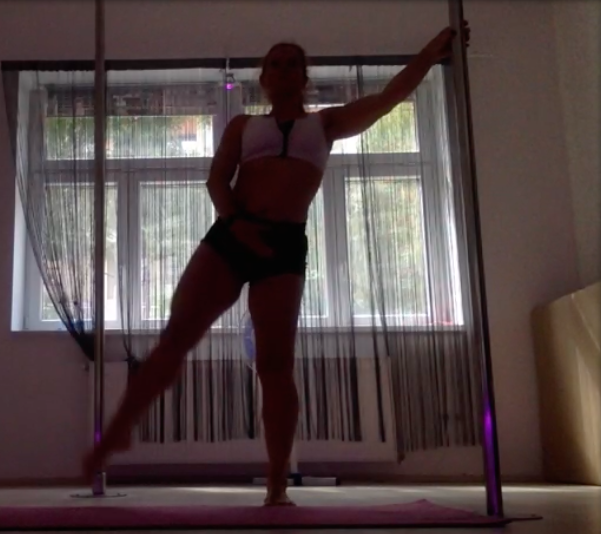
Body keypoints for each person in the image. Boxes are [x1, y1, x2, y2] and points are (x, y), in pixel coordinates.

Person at [83, 22, 470, 506]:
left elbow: (389, 98)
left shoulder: (325, 125)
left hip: (283, 247)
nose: (283, 70)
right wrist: (237, 224)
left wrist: (430, 53)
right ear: (263, 77)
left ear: (304, 77)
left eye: (292, 64)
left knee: (275, 364)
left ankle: (276, 483)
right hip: (232, 234)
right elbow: (217, 180)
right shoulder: (243, 126)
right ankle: (116, 433)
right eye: (275, 63)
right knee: (175, 338)